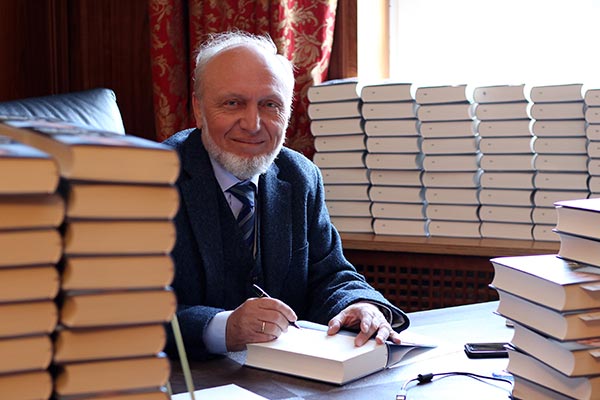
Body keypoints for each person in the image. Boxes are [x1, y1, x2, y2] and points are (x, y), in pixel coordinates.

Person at [163, 30, 409, 361]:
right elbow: (124, 308)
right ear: (198, 108)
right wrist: (222, 327)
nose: (252, 124)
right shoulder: (152, 181)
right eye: (233, 103)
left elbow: (331, 273)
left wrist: (358, 304)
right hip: (184, 379)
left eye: (270, 105)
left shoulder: (301, 177)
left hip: (288, 378)